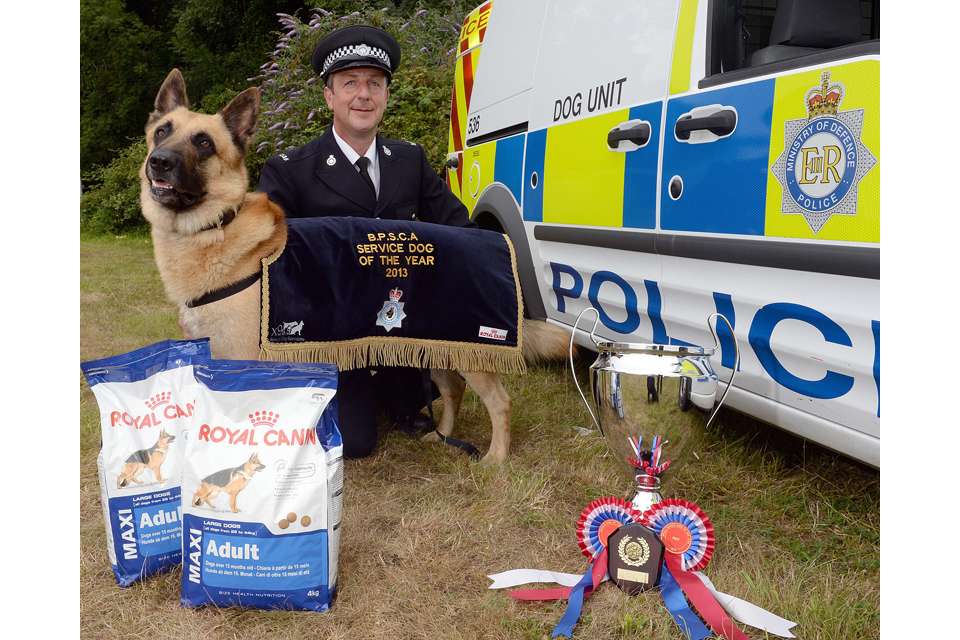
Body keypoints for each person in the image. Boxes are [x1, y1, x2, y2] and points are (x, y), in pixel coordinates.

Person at [256, 25, 477, 459]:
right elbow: (266, 258)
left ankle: (393, 395)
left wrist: (494, 273)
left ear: (386, 95)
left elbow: (457, 228)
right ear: (329, 96)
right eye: (350, 83)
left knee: (414, 400)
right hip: (332, 335)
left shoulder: (409, 160)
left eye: (374, 83)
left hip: (400, 327)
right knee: (355, 444)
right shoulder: (288, 171)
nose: (364, 95)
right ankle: (349, 395)